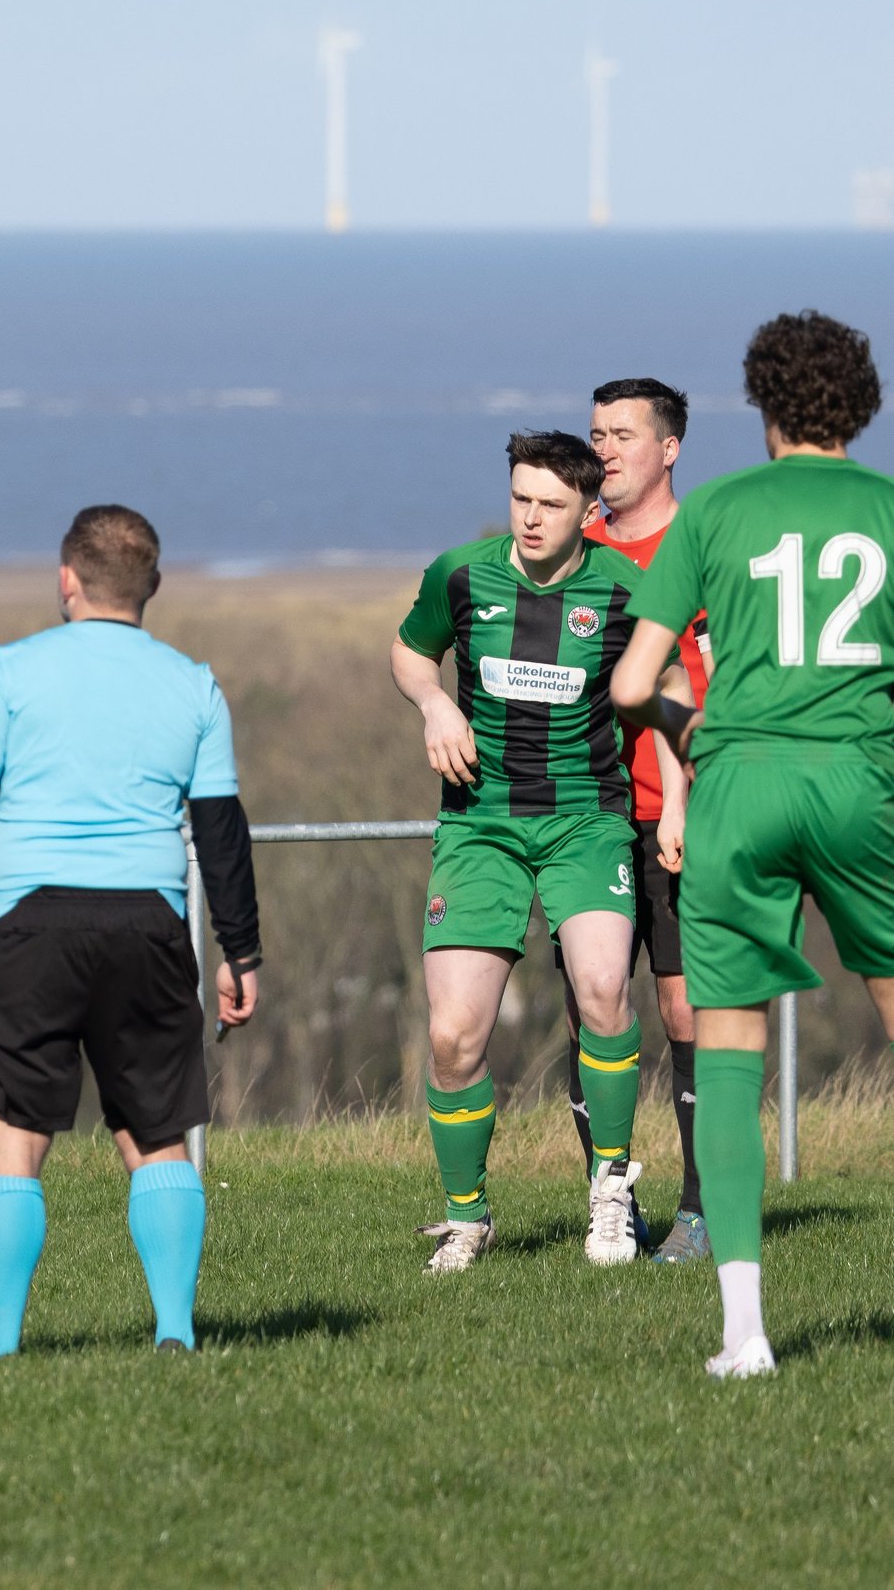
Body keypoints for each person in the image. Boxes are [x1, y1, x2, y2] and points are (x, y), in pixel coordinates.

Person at [0, 504, 261, 1359]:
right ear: (154, 589)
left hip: (28, 927)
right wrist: (240, 951)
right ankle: (173, 1332)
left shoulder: (9, 672)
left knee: (13, 1133)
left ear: (66, 581)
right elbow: (221, 833)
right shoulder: (193, 683)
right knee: (157, 1134)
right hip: (149, 927)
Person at [614, 309, 894, 1378]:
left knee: (726, 1063)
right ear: (858, 406)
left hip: (735, 791)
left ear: (764, 403)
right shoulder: (883, 508)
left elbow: (635, 685)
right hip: (861, 783)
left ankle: (745, 1335)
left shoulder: (717, 511)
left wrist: (702, 729)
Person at [392, 432, 648, 1274]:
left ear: (589, 511)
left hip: (587, 822)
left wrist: (677, 792)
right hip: (480, 827)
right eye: (520, 499)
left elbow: (665, 689)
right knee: (454, 1035)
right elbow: (409, 649)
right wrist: (433, 702)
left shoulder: (622, 590)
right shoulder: (461, 574)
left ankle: (610, 1191)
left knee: (605, 991)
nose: (531, 518)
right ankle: (467, 1217)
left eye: (551, 504)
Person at [556, 378, 712, 1263]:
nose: (605, 449)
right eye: (596, 433)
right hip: (587, 822)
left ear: (670, 447)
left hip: (684, 820)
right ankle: (614, 1207)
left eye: (623, 434)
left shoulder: (703, 547)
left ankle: (700, 1209)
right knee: (595, 1011)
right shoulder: (573, 548)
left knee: (689, 1013)